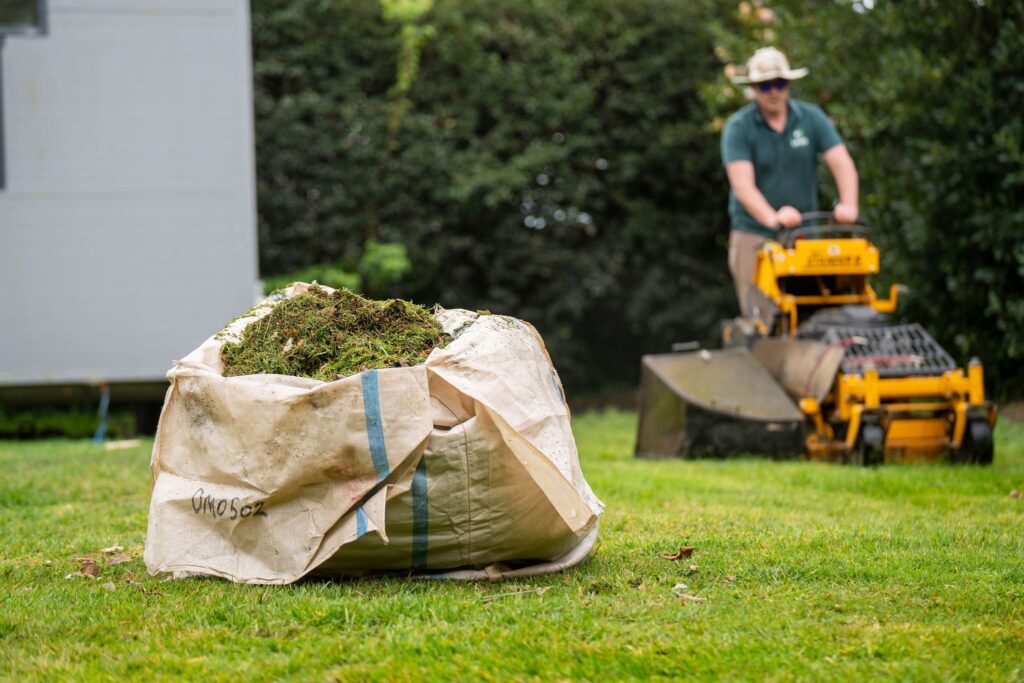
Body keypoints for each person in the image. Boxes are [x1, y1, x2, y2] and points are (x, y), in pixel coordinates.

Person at [721, 46, 859, 316]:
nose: (774, 91)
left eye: (780, 84)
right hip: (755, 234)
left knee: (815, 310)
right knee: (762, 318)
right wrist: (773, 218)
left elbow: (842, 163)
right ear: (754, 89)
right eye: (765, 86)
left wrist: (849, 205)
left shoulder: (811, 118)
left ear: (788, 85)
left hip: (805, 234)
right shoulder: (738, 128)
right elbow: (742, 185)